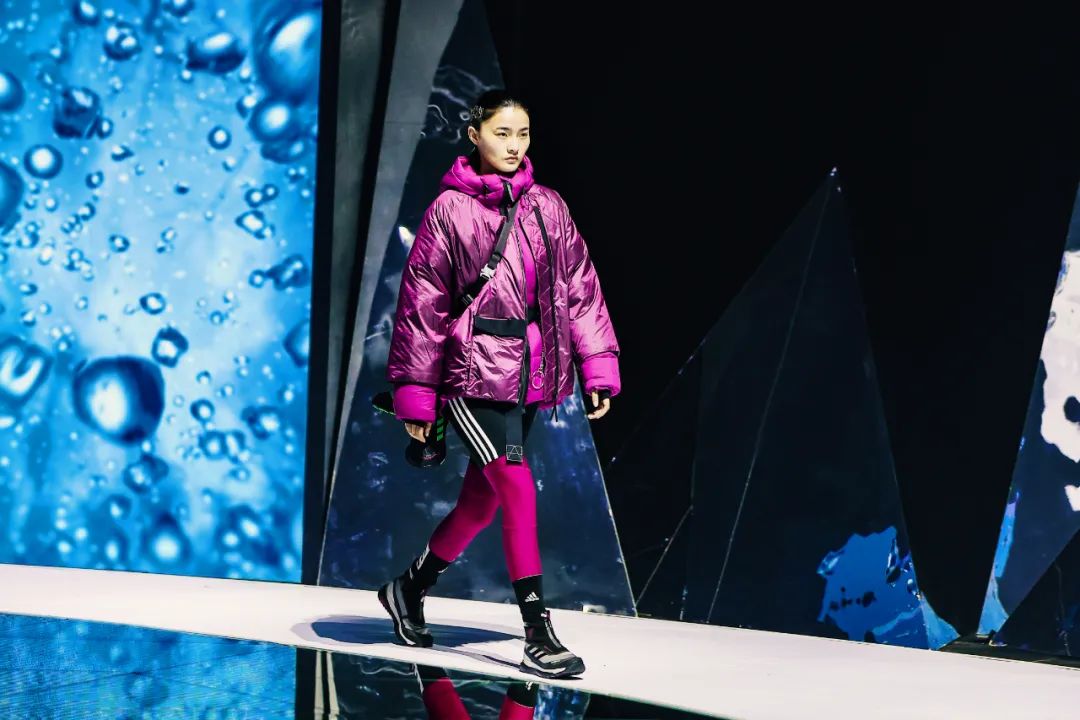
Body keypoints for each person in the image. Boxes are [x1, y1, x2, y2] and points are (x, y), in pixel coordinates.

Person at [378, 89, 621, 680]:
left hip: (528, 376)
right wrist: (416, 396)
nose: (514, 146)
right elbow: (423, 308)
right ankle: (537, 632)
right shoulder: (449, 211)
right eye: (502, 133)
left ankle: (408, 588)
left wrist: (598, 364)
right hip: (470, 375)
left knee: (480, 504)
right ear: (474, 135)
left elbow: (580, 288)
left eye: (523, 134)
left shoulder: (548, 206)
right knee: (515, 489)